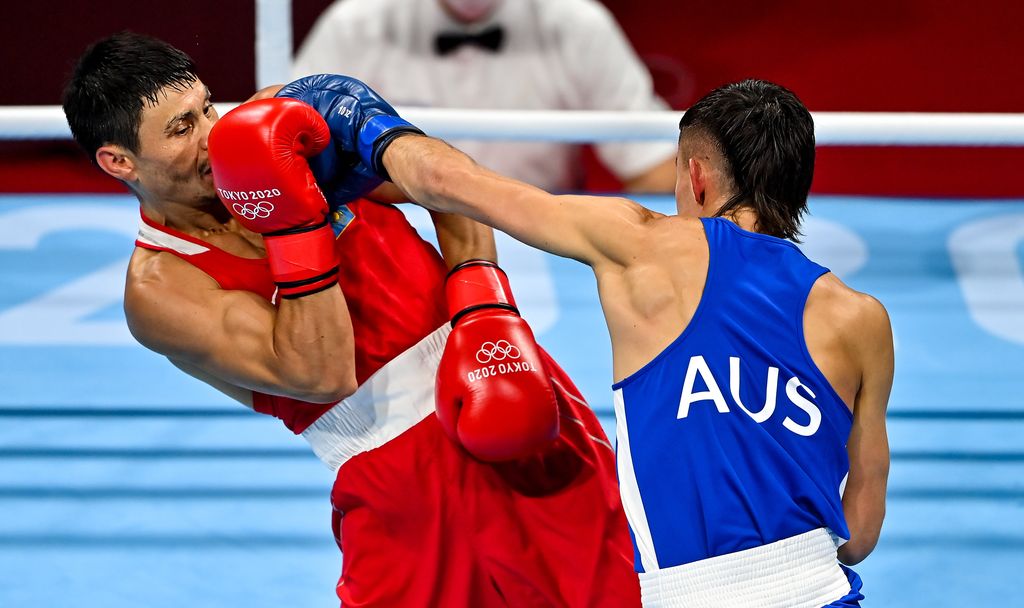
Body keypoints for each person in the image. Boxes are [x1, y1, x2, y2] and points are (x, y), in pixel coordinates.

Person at [61, 32, 641, 607]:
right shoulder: (161, 288)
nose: (211, 136)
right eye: (181, 129)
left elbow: (442, 181)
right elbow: (320, 373)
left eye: (206, 108)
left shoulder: (276, 127)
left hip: (500, 373)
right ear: (119, 161)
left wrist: (481, 297)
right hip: (399, 489)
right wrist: (293, 222)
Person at [310, 76, 894, 606]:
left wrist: (367, 125)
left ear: (696, 177)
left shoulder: (643, 243)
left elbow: (450, 185)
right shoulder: (863, 319)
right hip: (824, 589)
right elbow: (860, 533)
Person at [293, 0, 678, 193]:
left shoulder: (577, 24)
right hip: (398, 234)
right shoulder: (354, 24)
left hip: (545, 233)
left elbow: (653, 165)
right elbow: (289, 142)